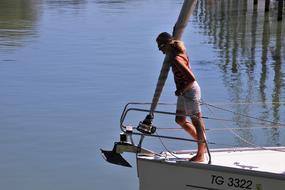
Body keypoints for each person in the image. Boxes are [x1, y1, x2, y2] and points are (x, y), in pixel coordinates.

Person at [156, 32, 206, 162]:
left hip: (189, 91)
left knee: (197, 121)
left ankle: (201, 154)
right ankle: (202, 144)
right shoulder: (176, 52)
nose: (161, 52)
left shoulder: (177, 59)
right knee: (179, 119)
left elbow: (191, 79)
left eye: (161, 48)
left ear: (167, 45)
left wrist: (181, 90)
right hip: (184, 92)